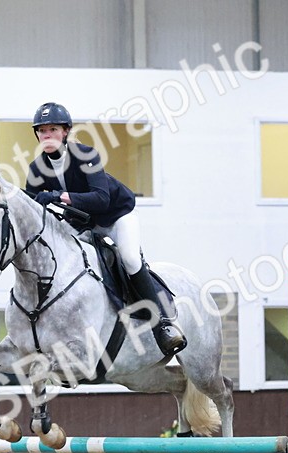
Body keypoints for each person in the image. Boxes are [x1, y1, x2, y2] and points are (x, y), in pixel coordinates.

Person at [24, 101, 186, 357]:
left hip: (116, 215)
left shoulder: (86, 155)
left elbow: (101, 199)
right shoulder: (36, 169)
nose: (47, 135)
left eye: (53, 129)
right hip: (82, 223)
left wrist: (57, 196)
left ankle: (163, 325)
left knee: (130, 259)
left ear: (65, 131)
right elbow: (31, 209)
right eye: (42, 131)